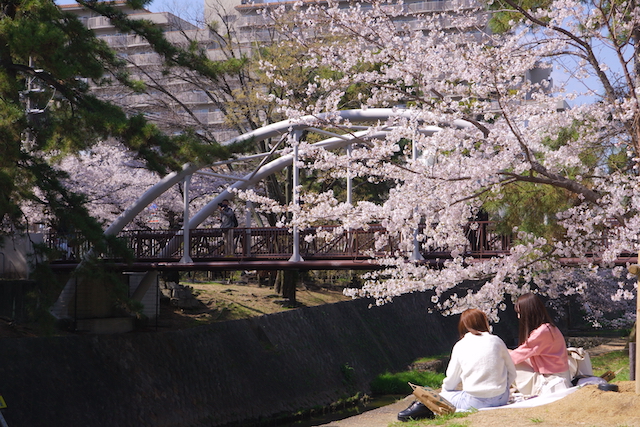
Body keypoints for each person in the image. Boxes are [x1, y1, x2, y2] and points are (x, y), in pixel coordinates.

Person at [398, 309, 516, 421]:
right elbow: (512, 372)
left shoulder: (460, 345)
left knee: (441, 396)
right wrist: (503, 389)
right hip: (501, 398)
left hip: (473, 401)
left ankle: (421, 407)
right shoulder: (497, 340)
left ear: (463, 325)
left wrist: (444, 395)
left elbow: (452, 380)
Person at [509, 292, 571, 396]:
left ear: (528, 313)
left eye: (520, 313)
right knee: (510, 356)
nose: (519, 317)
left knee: (509, 359)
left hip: (551, 381)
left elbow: (515, 357)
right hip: (559, 376)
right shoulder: (549, 328)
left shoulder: (541, 333)